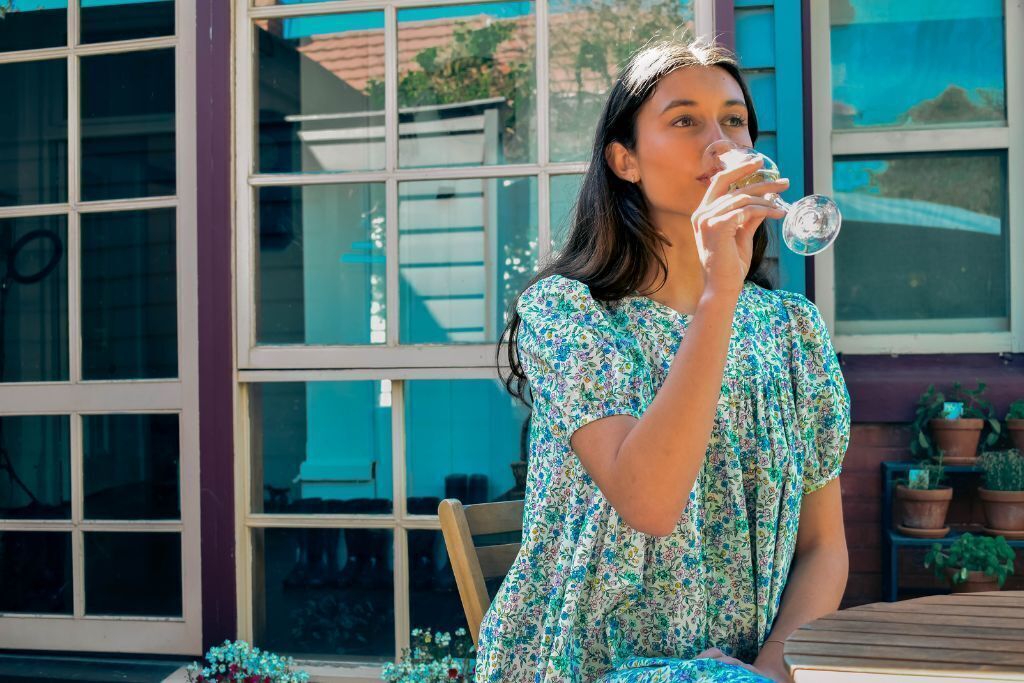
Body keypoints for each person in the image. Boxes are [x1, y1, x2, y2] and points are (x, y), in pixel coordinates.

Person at [478, 35, 852, 682]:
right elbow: (649, 502)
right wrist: (718, 294)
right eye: (684, 120)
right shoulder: (568, 314)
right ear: (625, 161)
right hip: (581, 666)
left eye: (734, 120)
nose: (720, 142)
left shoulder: (792, 331)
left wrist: (762, 673)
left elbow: (824, 548)